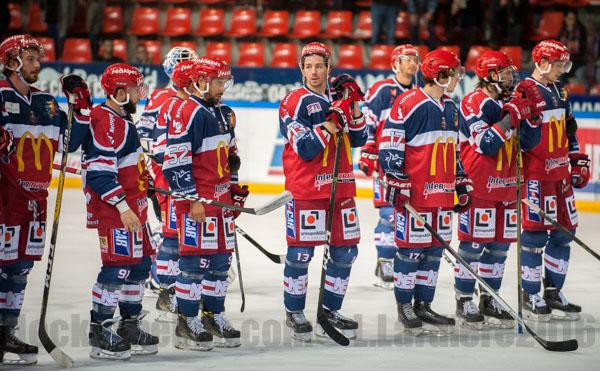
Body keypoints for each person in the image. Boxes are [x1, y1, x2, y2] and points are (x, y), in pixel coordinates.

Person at [0, 34, 91, 365]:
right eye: (32, 59)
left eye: (39, 58)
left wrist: (80, 108)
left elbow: (70, 145)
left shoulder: (48, 103)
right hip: (5, 200)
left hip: (35, 201)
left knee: (20, 269)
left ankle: (5, 332)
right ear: (13, 62)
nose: (40, 64)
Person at [278, 42, 367, 342]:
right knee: (301, 255)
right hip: (306, 189)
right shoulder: (294, 101)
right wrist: (332, 121)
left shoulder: (336, 97)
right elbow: (305, 149)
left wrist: (352, 107)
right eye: (309, 66)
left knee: (345, 254)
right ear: (301, 69)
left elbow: (359, 138)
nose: (314, 72)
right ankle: (294, 311)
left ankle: (329, 309)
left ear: (329, 67)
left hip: (341, 187)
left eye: (320, 66)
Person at [378, 49, 469, 335]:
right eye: (453, 73)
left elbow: (453, 150)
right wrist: (396, 179)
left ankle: (423, 304)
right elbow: (389, 145)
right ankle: (404, 305)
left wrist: (462, 181)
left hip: (442, 196)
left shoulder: (452, 108)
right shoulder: (410, 102)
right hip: (416, 196)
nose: (456, 78)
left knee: (432, 253)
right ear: (439, 75)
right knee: (409, 253)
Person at [163, 56, 247, 350]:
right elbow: (175, 163)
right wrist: (192, 200)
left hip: (221, 202)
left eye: (225, 81)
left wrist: (234, 186)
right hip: (197, 203)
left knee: (220, 263)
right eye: (219, 82)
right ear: (200, 82)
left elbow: (231, 155)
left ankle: (213, 314)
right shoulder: (189, 112)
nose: (223, 88)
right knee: (193, 265)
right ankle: (187, 320)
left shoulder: (225, 113)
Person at [454, 50, 542, 329]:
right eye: (504, 72)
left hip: (508, 184)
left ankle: (489, 298)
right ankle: (464, 298)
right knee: (473, 245)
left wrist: (532, 115)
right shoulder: (473, 101)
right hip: (479, 183)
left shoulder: (509, 100)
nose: (510, 77)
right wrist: (510, 117)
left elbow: (530, 143)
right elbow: (486, 144)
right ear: (489, 75)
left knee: (500, 247)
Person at [82, 63, 159, 360]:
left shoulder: (123, 119)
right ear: (117, 92)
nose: (140, 93)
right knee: (117, 268)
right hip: (116, 210)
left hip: (133, 209)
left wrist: (146, 184)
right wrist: (123, 206)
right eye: (134, 88)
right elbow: (102, 174)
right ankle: (100, 330)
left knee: (139, 266)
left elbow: (128, 165)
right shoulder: (105, 119)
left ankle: (129, 326)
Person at [520, 40, 591, 321]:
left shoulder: (560, 90)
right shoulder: (524, 90)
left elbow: (569, 129)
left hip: (560, 174)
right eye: (558, 64)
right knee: (535, 235)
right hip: (537, 174)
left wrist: (574, 157)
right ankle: (530, 293)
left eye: (565, 64)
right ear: (542, 62)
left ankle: (552, 291)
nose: (563, 69)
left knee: (564, 233)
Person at [135, 46, 197, 312]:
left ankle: (182, 280)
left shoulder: (199, 99)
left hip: (195, 180)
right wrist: (154, 159)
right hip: (168, 179)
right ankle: (165, 287)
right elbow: (142, 132)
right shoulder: (160, 97)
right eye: (179, 64)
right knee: (172, 233)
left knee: (188, 232)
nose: (184, 70)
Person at [359, 44, 421, 290]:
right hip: (386, 161)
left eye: (416, 59)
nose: (413, 63)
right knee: (388, 213)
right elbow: (367, 118)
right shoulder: (383, 89)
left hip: (411, 163)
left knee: (405, 214)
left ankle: (404, 258)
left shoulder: (419, 92)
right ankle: (385, 260)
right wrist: (369, 149)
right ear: (396, 62)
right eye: (408, 58)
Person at [152, 59, 197, 323]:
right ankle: (166, 292)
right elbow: (159, 151)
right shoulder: (169, 106)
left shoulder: (194, 106)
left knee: (186, 238)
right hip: (171, 185)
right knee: (171, 237)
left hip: (189, 185)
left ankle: (180, 290)